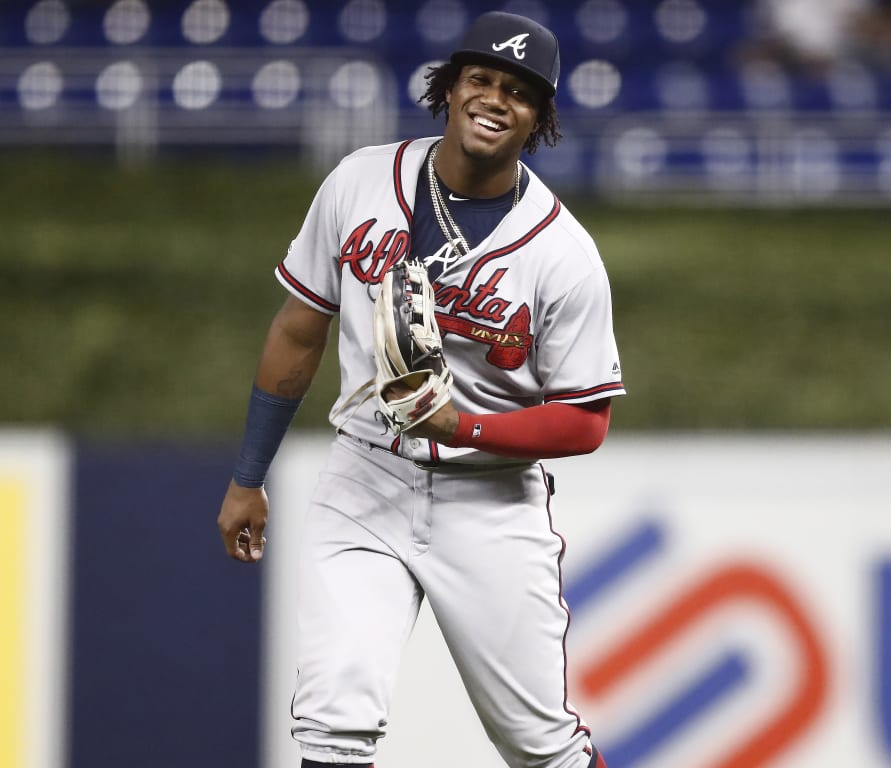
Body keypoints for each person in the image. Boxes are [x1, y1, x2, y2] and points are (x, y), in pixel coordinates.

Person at [214, 12, 621, 768]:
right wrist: (249, 473)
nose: (496, 98)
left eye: (520, 91)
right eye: (482, 79)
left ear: (541, 118)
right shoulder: (362, 180)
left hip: (490, 499)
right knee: (333, 720)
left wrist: (459, 424)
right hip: (364, 473)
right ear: (449, 86)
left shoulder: (563, 252)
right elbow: (297, 334)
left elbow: (585, 421)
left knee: (542, 749)